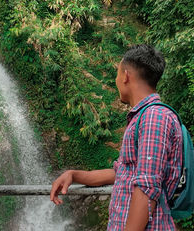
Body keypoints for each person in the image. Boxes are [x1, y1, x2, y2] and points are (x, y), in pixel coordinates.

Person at [50, 44, 183, 230]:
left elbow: (146, 188)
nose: (116, 79)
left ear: (126, 76)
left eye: (117, 74)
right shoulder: (143, 117)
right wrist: (73, 175)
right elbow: (122, 173)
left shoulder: (154, 118)